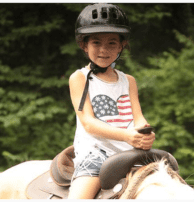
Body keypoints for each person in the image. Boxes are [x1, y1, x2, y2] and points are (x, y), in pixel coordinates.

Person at [68, 3, 155, 199]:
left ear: (122, 45)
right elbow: (89, 124)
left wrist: (144, 132)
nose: (103, 50)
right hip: (95, 155)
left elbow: (138, 117)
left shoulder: (128, 81)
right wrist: (126, 136)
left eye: (112, 43)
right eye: (96, 42)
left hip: (129, 153)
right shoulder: (79, 78)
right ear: (84, 44)